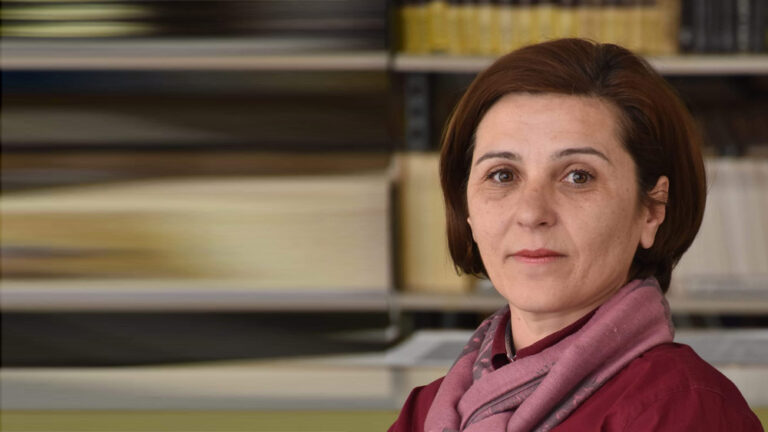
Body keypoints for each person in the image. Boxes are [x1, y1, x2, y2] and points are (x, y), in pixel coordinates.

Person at [389, 38, 762, 431]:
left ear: (652, 209)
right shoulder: (427, 412)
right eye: (502, 175)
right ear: (466, 210)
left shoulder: (684, 409)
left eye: (578, 176)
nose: (532, 213)